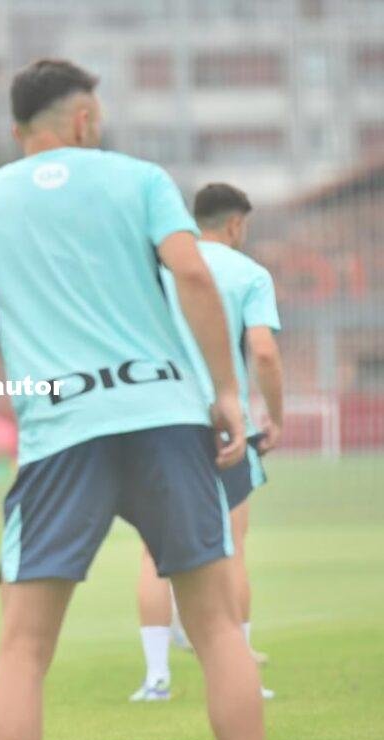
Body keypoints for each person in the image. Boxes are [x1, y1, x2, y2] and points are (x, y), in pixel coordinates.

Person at [0, 59, 287, 740]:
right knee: (215, 625)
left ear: (17, 131)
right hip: (167, 420)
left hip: (61, 435)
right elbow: (194, 275)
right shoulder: (142, 180)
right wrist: (227, 393)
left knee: (23, 647)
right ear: (84, 121)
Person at [132, 182, 284, 702]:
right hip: (223, 422)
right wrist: (275, 416)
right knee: (232, 547)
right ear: (236, 224)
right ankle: (243, 677)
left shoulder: (162, 270)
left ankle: (156, 678)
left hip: (159, 417)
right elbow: (263, 352)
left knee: (155, 551)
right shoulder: (249, 274)